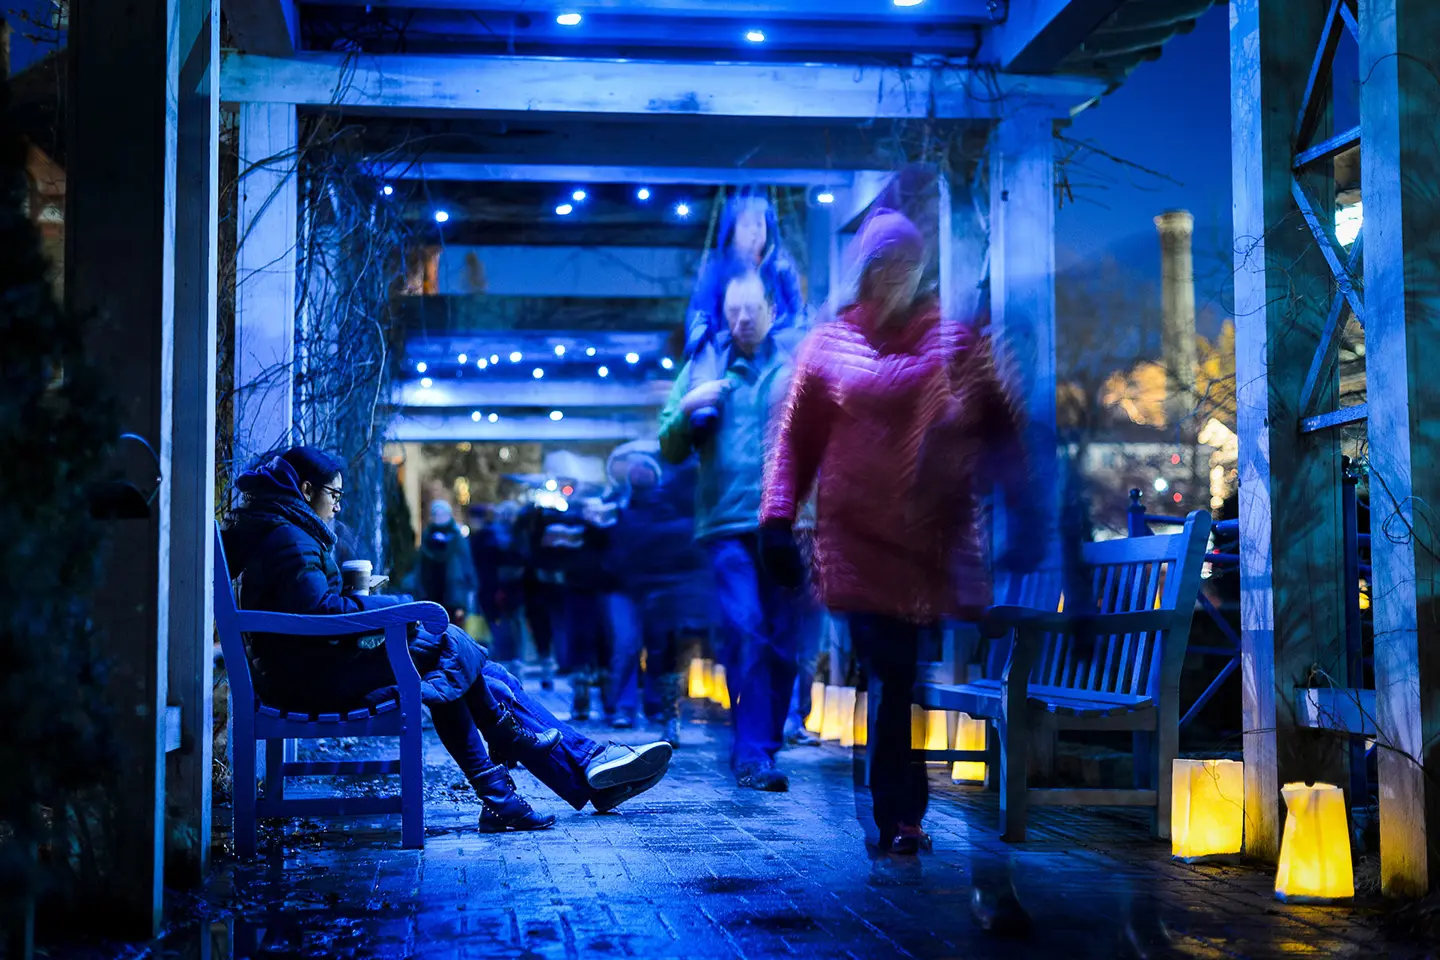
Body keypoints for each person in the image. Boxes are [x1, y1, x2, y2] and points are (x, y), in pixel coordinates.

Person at [760, 209, 1043, 853]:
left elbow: (1002, 426)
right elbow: (795, 443)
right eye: (882, 263)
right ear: (865, 269)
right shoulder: (829, 345)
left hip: (926, 545)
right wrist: (776, 519)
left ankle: (896, 809)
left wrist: (1023, 502)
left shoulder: (951, 342)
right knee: (889, 673)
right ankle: (899, 814)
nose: (894, 275)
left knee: (900, 677)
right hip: (854, 540)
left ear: (919, 270)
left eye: (906, 264)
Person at [221, 447, 674, 833]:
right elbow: (320, 613)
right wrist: (394, 606)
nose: (337, 507)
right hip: (306, 676)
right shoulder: (289, 537)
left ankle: (522, 779)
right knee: (453, 648)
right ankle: (547, 759)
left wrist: (378, 605)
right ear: (305, 491)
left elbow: (312, 607)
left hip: (309, 663)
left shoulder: (285, 529)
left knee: (457, 667)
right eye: (333, 495)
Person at [659, 269, 806, 792]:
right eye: (733, 311)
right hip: (727, 523)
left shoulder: (796, 365)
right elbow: (669, 445)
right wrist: (688, 410)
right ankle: (752, 753)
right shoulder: (705, 364)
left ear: (771, 309)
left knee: (785, 644)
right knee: (745, 630)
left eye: (751, 309)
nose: (742, 320)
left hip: (791, 524)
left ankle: (762, 744)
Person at [601, 445, 713, 745]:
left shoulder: (669, 505)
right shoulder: (611, 506)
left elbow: (683, 543)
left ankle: (655, 708)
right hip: (624, 589)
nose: (639, 472)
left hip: (658, 587)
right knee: (627, 646)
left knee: (658, 647)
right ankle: (624, 707)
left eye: (645, 468)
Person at [683, 192, 804, 366]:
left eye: (759, 224)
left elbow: (796, 313)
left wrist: (787, 343)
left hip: (775, 354)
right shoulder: (716, 269)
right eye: (746, 224)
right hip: (726, 356)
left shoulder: (781, 268)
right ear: (733, 230)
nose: (754, 231)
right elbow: (702, 315)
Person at [417, 499, 478, 627]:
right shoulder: (427, 537)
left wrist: (468, 595)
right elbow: (419, 566)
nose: (439, 517)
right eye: (435, 514)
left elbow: (466, 564)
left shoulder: (457, 537)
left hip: (453, 595)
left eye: (442, 514)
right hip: (429, 592)